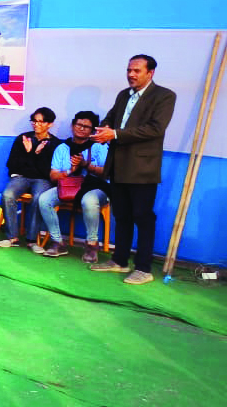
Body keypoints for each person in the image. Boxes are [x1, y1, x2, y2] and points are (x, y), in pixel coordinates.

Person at [90, 54, 176, 285]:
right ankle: (119, 261)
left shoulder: (164, 96)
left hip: (142, 168)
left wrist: (115, 134)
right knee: (122, 215)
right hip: (118, 165)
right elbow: (110, 118)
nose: (131, 74)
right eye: (129, 70)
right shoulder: (123, 95)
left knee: (143, 217)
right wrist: (103, 130)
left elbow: (155, 129)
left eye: (137, 70)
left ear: (150, 73)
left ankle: (144, 268)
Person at [35, 111, 109, 261]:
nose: (81, 128)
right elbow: (53, 176)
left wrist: (85, 165)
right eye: (78, 124)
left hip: (96, 187)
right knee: (44, 199)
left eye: (86, 127)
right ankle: (58, 242)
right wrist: (70, 170)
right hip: (70, 187)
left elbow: (106, 173)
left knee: (88, 200)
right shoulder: (62, 148)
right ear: (72, 125)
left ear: (93, 130)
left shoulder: (99, 147)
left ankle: (92, 245)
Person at [0, 107, 61, 253]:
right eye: (34, 121)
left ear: (50, 124)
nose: (36, 124)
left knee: (38, 198)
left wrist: (34, 154)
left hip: (42, 180)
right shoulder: (23, 139)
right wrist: (30, 153)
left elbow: (47, 171)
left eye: (41, 122)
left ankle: (32, 240)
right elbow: (12, 164)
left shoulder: (55, 144)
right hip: (22, 177)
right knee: (8, 195)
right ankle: (12, 237)